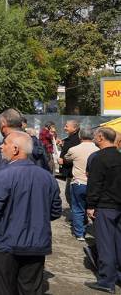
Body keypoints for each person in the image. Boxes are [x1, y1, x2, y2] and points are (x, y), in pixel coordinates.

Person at [0, 131, 62, 295]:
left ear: (16, 148)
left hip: (6, 244)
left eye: (5, 144)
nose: (1, 147)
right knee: (30, 289)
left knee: (4, 289)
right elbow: (55, 212)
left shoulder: (3, 176)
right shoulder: (47, 177)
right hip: (35, 243)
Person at [84, 127, 121, 293]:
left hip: (105, 206)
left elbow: (95, 184)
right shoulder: (119, 157)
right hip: (117, 205)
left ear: (100, 137)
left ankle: (107, 281)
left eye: (95, 135)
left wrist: (90, 205)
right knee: (118, 243)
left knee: (106, 244)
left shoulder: (99, 158)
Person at [64, 128, 98, 241]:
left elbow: (66, 158)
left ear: (80, 137)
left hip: (79, 182)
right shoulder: (98, 149)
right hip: (94, 184)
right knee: (95, 208)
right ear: (93, 137)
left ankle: (79, 233)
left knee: (78, 208)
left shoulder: (74, 149)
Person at [58, 119, 81, 209]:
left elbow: (76, 156)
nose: (64, 128)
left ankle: (77, 216)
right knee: (69, 194)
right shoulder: (70, 139)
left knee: (70, 195)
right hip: (69, 172)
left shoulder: (75, 141)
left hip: (73, 172)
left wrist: (64, 161)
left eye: (67, 126)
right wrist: (62, 146)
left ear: (74, 128)